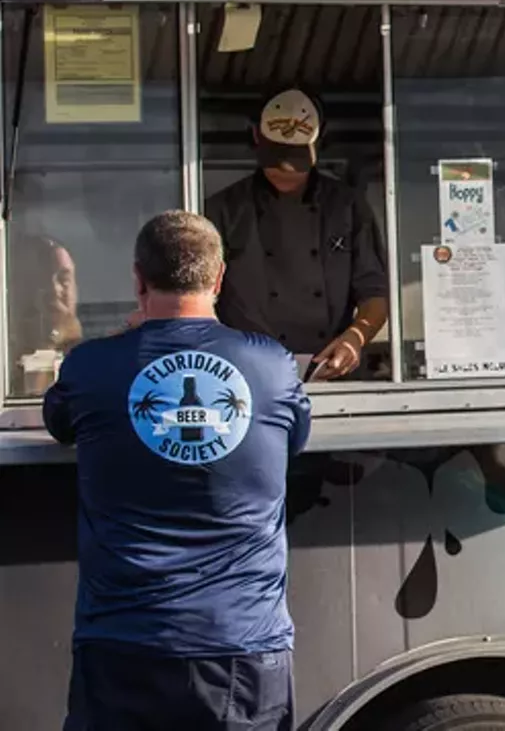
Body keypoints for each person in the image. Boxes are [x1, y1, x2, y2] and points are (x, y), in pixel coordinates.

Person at [43, 210, 312, 731]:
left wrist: (123, 340)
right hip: (241, 646)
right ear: (219, 279)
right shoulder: (272, 365)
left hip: (124, 644)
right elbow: (293, 440)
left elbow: (60, 421)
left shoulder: (91, 367)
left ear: (138, 279)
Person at [204, 86, 388, 381]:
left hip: (328, 372)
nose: (285, 169)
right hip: (247, 375)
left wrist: (355, 337)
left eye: (296, 157)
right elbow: (197, 299)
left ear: (320, 141)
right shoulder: (222, 210)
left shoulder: (347, 206)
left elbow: (375, 293)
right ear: (256, 137)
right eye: (277, 155)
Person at [9, 233, 83, 395]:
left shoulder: (98, 356)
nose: (54, 290)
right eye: (40, 280)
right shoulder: (5, 359)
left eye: (63, 279)